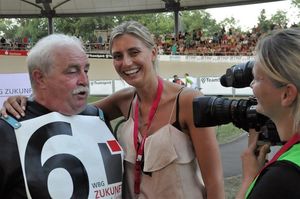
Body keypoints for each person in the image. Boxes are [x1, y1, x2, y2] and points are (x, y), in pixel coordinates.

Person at [1, 21, 225, 199]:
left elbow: (215, 184)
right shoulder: (123, 101)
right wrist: (25, 101)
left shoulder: (188, 102)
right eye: (118, 56)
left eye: (134, 52)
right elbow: (60, 110)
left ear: (154, 53)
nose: (126, 62)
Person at [0, 34, 123, 198]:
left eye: (86, 70)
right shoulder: (7, 130)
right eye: (72, 72)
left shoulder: (98, 117)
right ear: (40, 78)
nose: (84, 80)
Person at [236, 28, 300, 198]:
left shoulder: (284, 177)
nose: (251, 85)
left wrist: (249, 179)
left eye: (256, 78)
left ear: (287, 94)